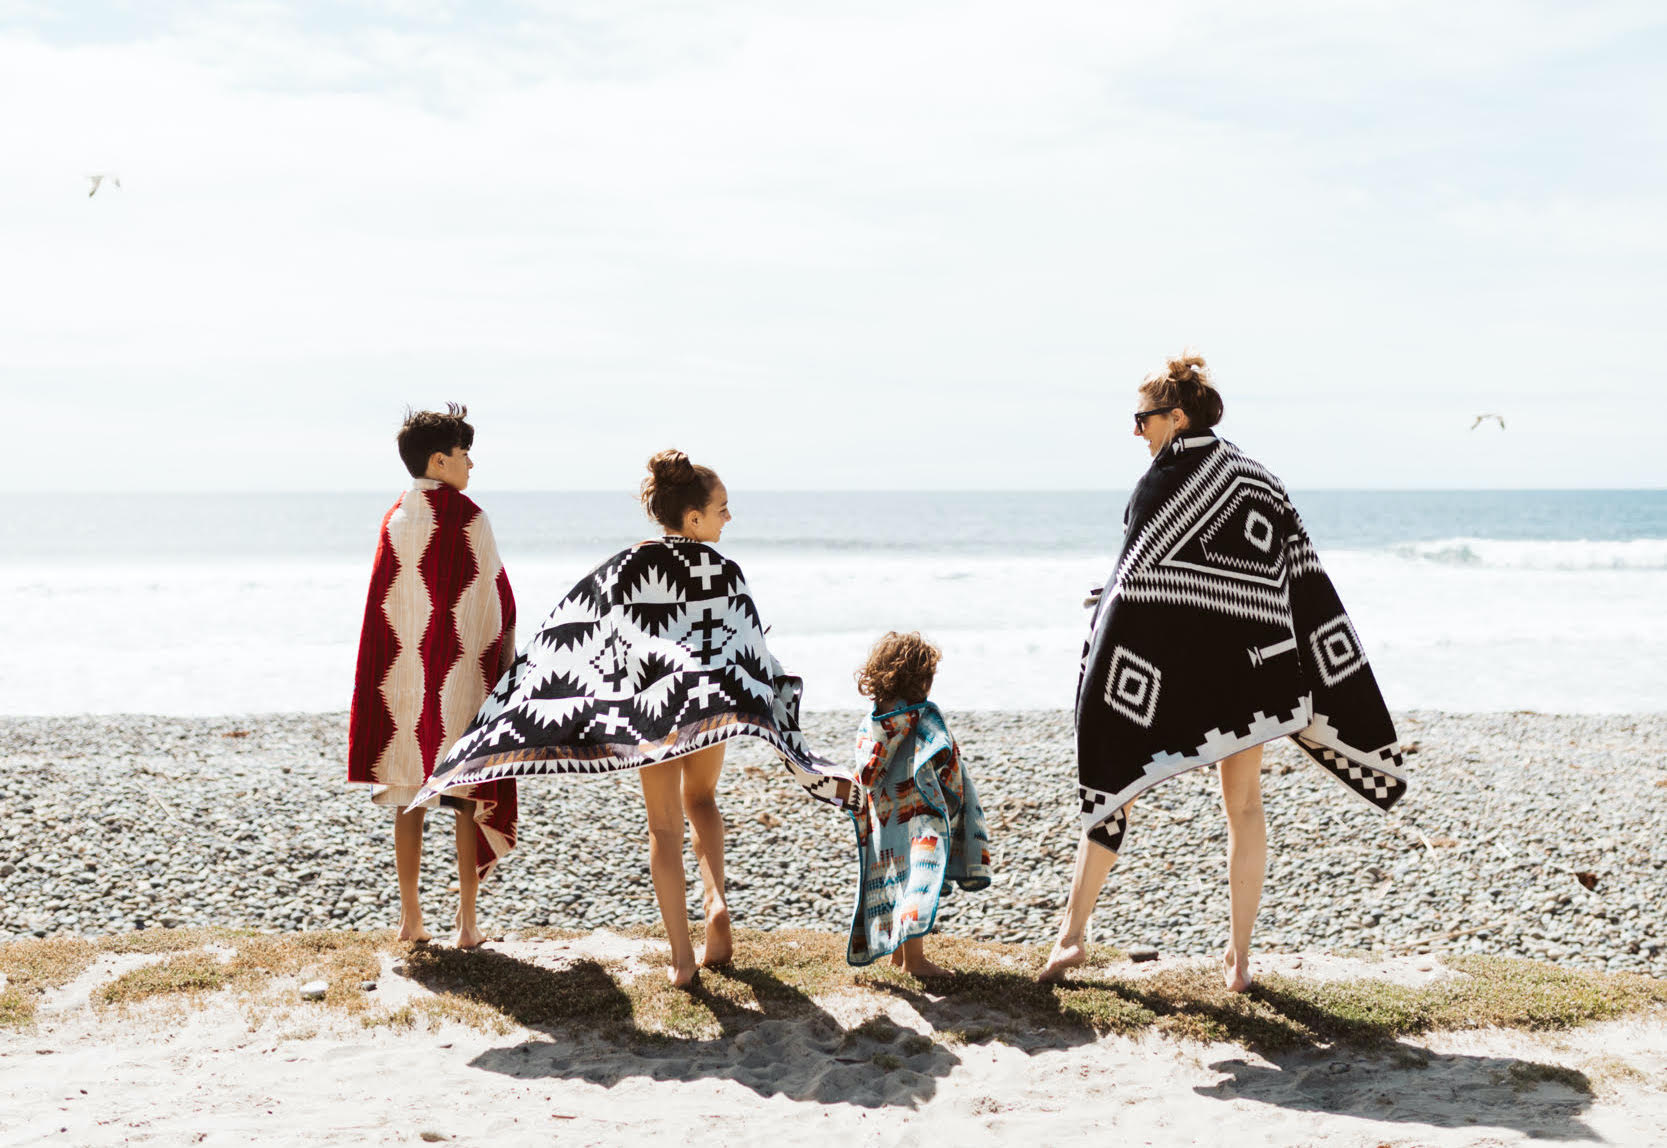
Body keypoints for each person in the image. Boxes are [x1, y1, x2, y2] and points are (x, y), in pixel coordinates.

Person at [409, 449, 854, 987]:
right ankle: (716, 904)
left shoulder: (627, 567)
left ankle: (683, 960)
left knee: (663, 829)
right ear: (693, 519)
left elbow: (579, 631)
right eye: (722, 508)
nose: (728, 518)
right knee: (703, 800)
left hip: (652, 712)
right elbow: (748, 648)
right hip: (709, 705)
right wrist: (773, 695)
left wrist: (532, 688)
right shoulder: (728, 573)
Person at [1039, 352, 1407, 991]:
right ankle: (1239, 959)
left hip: (1183, 673)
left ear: (1175, 417)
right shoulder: (1257, 478)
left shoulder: (1164, 478)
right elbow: (1292, 577)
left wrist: (1110, 614)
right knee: (1244, 805)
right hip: (1255, 676)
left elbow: (1144, 577)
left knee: (1109, 772)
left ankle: (1071, 937)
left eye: (1143, 418)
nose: (1137, 432)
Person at [347, 404, 518, 949]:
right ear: (441, 460)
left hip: (408, 681)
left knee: (409, 794)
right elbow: (491, 600)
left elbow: (387, 610)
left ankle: (411, 919)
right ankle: (468, 924)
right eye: (466, 455)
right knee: (467, 794)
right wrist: (505, 666)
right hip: (463, 676)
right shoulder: (469, 518)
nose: (472, 465)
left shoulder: (396, 516)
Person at [846, 632, 990, 977]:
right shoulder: (925, 719)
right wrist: (957, 799)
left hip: (884, 820)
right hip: (920, 819)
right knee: (916, 884)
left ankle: (897, 955)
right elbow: (946, 758)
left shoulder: (871, 726)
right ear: (920, 680)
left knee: (895, 881)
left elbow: (863, 771)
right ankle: (916, 962)